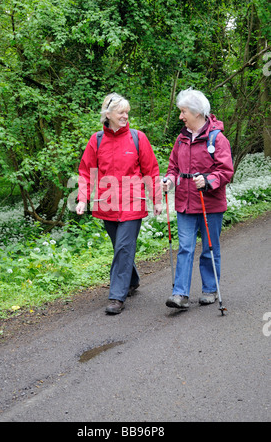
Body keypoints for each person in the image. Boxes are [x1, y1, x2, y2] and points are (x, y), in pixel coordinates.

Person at [76, 93, 162, 314]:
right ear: (108, 115)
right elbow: (86, 172)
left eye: (127, 112)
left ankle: (117, 297)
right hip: (107, 204)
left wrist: (157, 199)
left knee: (124, 247)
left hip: (133, 201)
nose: (126, 116)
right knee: (120, 247)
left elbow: (151, 170)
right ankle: (131, 280)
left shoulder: (137, 138)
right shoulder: (96, 140)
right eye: (121, 112)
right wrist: (83, 198)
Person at [161, 88, 234, 309]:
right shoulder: (181, 138)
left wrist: (209, 180)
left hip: (210, 203)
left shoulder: (217, 138)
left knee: (209, 248)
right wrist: (169, 181)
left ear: (196, 112)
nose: (181, 116)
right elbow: (173, 167)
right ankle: (180, 294)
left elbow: (225, 170)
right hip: (185, 202)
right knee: (185, 248)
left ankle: (210, 290)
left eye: (183, 112)